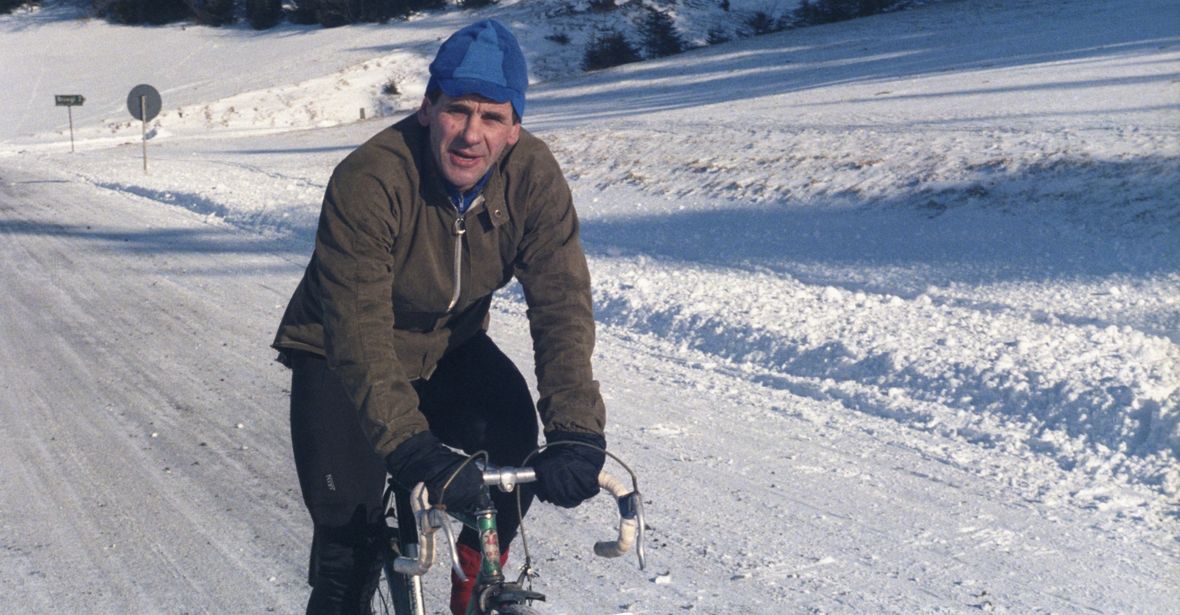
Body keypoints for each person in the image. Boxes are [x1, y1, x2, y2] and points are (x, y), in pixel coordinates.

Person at [271, 19, 608, 615]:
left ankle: (476, 585)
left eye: (492, 117)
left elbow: (562, 304)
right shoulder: (370, 179)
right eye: (458, 110)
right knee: (346, 543)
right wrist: (410, 447)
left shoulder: (533, 177)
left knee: (510, 446)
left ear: (514, 128)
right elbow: (359, 328)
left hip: (450, 347)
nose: (471, 135)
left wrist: (576, 430)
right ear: (428, 108)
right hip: (338, 352)